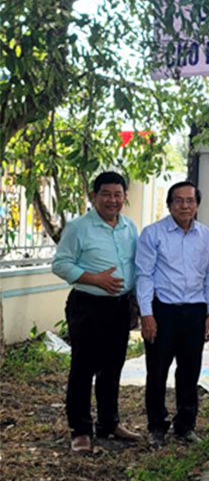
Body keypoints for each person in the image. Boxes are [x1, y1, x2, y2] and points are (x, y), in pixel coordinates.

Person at [52, 171, 143, 453]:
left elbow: (134, 265)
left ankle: (109, 423)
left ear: (125, 197)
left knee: (113, 367)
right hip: (88, 306)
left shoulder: (129, 227)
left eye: (118, 194)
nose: (112, 200)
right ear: (94, 196)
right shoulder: (78, 228)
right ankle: (80, 430)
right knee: (83, 369)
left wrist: (136, 300)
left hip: (120, 307)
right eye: (106, 194)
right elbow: (60, 264)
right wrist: (95, 279)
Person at [135, 181, 209, 447]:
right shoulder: (153, 234)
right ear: (169, 205)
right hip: (163, 311)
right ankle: (156, 426)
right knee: (157, 371)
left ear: (197, 205)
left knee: (190, 371)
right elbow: (144, 275)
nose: (184, 206)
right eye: (179, 201)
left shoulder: (205, 236)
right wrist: (146, 314)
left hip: (195, 311)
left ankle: (185, 425)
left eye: (190, 201)